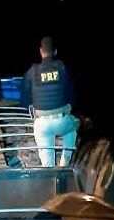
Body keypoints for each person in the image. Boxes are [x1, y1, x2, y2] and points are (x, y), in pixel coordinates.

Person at [20, 36, 78, 167]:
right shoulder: (63, 68)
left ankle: (49, 170)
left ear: (41, 51)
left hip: (42, 124)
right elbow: (72, 95)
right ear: (55, 51)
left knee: (47, 165)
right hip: (62, 121)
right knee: (73, 127)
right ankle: (65, 160)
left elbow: (24, 101)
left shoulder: (32, 72)